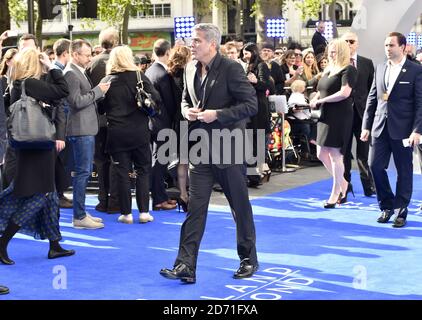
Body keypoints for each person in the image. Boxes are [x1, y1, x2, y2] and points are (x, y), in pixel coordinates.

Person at [159, 23, 259, 283]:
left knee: (239, 207)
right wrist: (185, 111)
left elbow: (250, 104)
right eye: (192, 41)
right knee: (195, 208)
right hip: (200, 149)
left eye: (196, 41)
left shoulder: (231, 68)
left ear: (212, 44)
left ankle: (248, 259)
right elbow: (184, 100)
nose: (191, 45)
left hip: (229, 148)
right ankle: (185, 265)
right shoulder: (190, 67)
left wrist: (219, 115)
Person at [0, 49, 74, 264]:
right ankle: (3, 242)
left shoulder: (16, 85)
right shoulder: (29, 84)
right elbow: (63, 90)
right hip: (35, 150)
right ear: (35, 62)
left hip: (30, 148)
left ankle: (54, 245)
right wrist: (52, 67)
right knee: (39, 196)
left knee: (49, 196)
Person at [361, 32, 422, 228]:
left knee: (404, 170)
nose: (388, 49)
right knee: (374, 166)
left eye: (392, 45)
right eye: (386, 45)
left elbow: (421, 103)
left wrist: (417, 130)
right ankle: (386, 205)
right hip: (380, 127)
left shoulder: (415, 70)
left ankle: (401, 209)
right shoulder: (380, 68)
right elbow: (372, 99)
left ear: (403, 47)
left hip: (404, 130)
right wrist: (366, 126)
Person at [100, 46, 158, 224]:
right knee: (143, 171)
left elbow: (100, 108)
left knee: (122, 173)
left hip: (117, 133)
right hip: (139, 131)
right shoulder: (140, 76)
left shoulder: (107, 80)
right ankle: (144, 213)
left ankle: (126, 214)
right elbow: (155, 99)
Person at [64, 39, 110, 229]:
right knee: (82, 173)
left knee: (82, 173)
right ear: (75, 55)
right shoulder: (71, 74)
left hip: (85, 129)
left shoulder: (76, 72)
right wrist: (98, 91)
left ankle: (80, 212)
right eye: (87, 54)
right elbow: (75, 101)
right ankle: (80, 216)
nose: (90, 58)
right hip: (80, 130)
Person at [310, 38, 357, 208]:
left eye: (335, 50)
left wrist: (323, 101)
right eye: (330, 49)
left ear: (343, 51)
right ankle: (344, 183)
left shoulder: (349, 69)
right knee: (321, 153)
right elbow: (320, 90)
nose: (331, 52)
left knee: (336, 155)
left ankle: (336, 192)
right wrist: (316, 98)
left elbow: (345, 93)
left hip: (340, 115)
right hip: (325, 114)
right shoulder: (328, 69)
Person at [85, 27, 121, 214]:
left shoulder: (92, 63)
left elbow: (87, 91)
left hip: (97, 120)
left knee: (100, 162)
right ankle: (114, 201)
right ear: (116, 42)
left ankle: (102, 200)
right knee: (115, 161)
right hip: (116, 120)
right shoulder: (122, 63)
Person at [341, 32, 376, 197]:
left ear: (357, 44)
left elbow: (372, 90)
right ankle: (345, 186)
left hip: (362, 115)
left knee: (364, 154)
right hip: (343, 114)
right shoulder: (337, 63)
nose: (348, 43)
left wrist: (373, 114)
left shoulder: (367, 63)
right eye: (345, 41)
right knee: (344, 153)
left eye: (351, 41)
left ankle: (369, 186)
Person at [145, 39, 178, 211]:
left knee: (157, 160)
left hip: (153, 122)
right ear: (167, 53)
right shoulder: (163, 74)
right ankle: (159, 199)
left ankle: (160, 196)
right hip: (162, 123)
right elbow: (170, 102)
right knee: (160, 161)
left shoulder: (150, 70)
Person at [167, 45, 192, 212]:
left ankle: (183, 194)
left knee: (183, 161)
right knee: (195, 161)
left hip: (176, 122)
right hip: (190, 120)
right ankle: (193, 195)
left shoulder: (168, 76)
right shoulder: (190, 75)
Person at [51, 38, 73, 209]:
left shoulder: (59, 70)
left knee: (61, 163)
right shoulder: (55, 72)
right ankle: (57, 195)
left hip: (62, 124)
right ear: (65, 53)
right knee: (58, 163)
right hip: (58, 126)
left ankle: (59, 194)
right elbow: (59, 103)